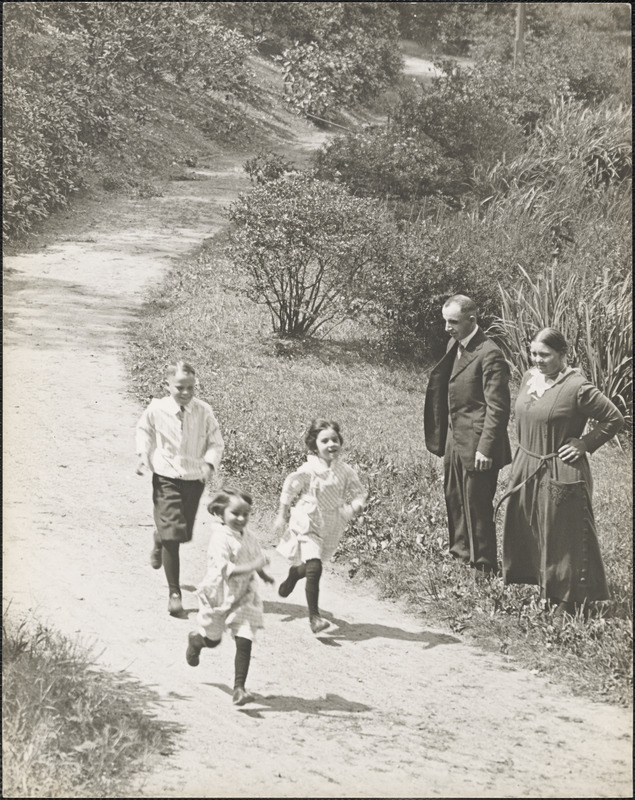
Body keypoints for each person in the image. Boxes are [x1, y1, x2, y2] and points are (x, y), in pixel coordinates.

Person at [500, 327, 624, 615]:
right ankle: (545, 587)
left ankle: (568, 602)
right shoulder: (531, 378)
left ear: (562, 354)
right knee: (532, 528)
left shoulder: (577, 387)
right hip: (527, 463)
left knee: (563, 535)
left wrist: (584, 443)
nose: (537, 359)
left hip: (560, 468)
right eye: (533, 353)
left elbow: (613, 418)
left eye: (545, 354)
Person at [424, 294, 511, 574]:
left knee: (477, 504)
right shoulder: (455, 343)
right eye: (445, 321)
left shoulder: (490, 353)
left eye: (453, 322)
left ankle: (483, 565)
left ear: (472, 320)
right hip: (454, 438)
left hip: (478, 442)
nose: (447, 328)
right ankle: (460, 555)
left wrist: (486, 448)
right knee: (454, 496)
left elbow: (498, 408)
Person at [136, 360, 224, 616]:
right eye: (179, 387)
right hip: (166, 475)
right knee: (173, 537)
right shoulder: (157, 409)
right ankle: (174, 592)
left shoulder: (204, 411)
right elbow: (145, 430)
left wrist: (209, 463)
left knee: (182, 533)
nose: (185, 393)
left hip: (194, 477)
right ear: (167, 385)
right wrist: (143, 454)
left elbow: (216, 442)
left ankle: (158, 537)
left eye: (190, 388)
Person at [273, 419, 367, 634]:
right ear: (315, 446)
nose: (331, 444)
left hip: (333, 522)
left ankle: (295, 574)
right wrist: (281, 515)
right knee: (315, 567)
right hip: (308, 520)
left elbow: (359, 492)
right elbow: (289, 488)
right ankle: (314, 617)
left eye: (335, 439)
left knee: (314, 564)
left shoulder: (345, 470)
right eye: (325, 441)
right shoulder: (309, 469)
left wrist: (356, 505)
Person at [185, 488, 274, 706]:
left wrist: (263, 573)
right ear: (221, 512)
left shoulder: (250, 537)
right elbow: (227, 570)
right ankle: (196, 641)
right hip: (219, 594)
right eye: (235, 513)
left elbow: (255, 556)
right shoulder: (219, 538)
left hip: (243, 595)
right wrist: (254, 566)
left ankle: (239, 688)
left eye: (246, 514)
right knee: (212, 640)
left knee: (245, 638)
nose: (241, 518)